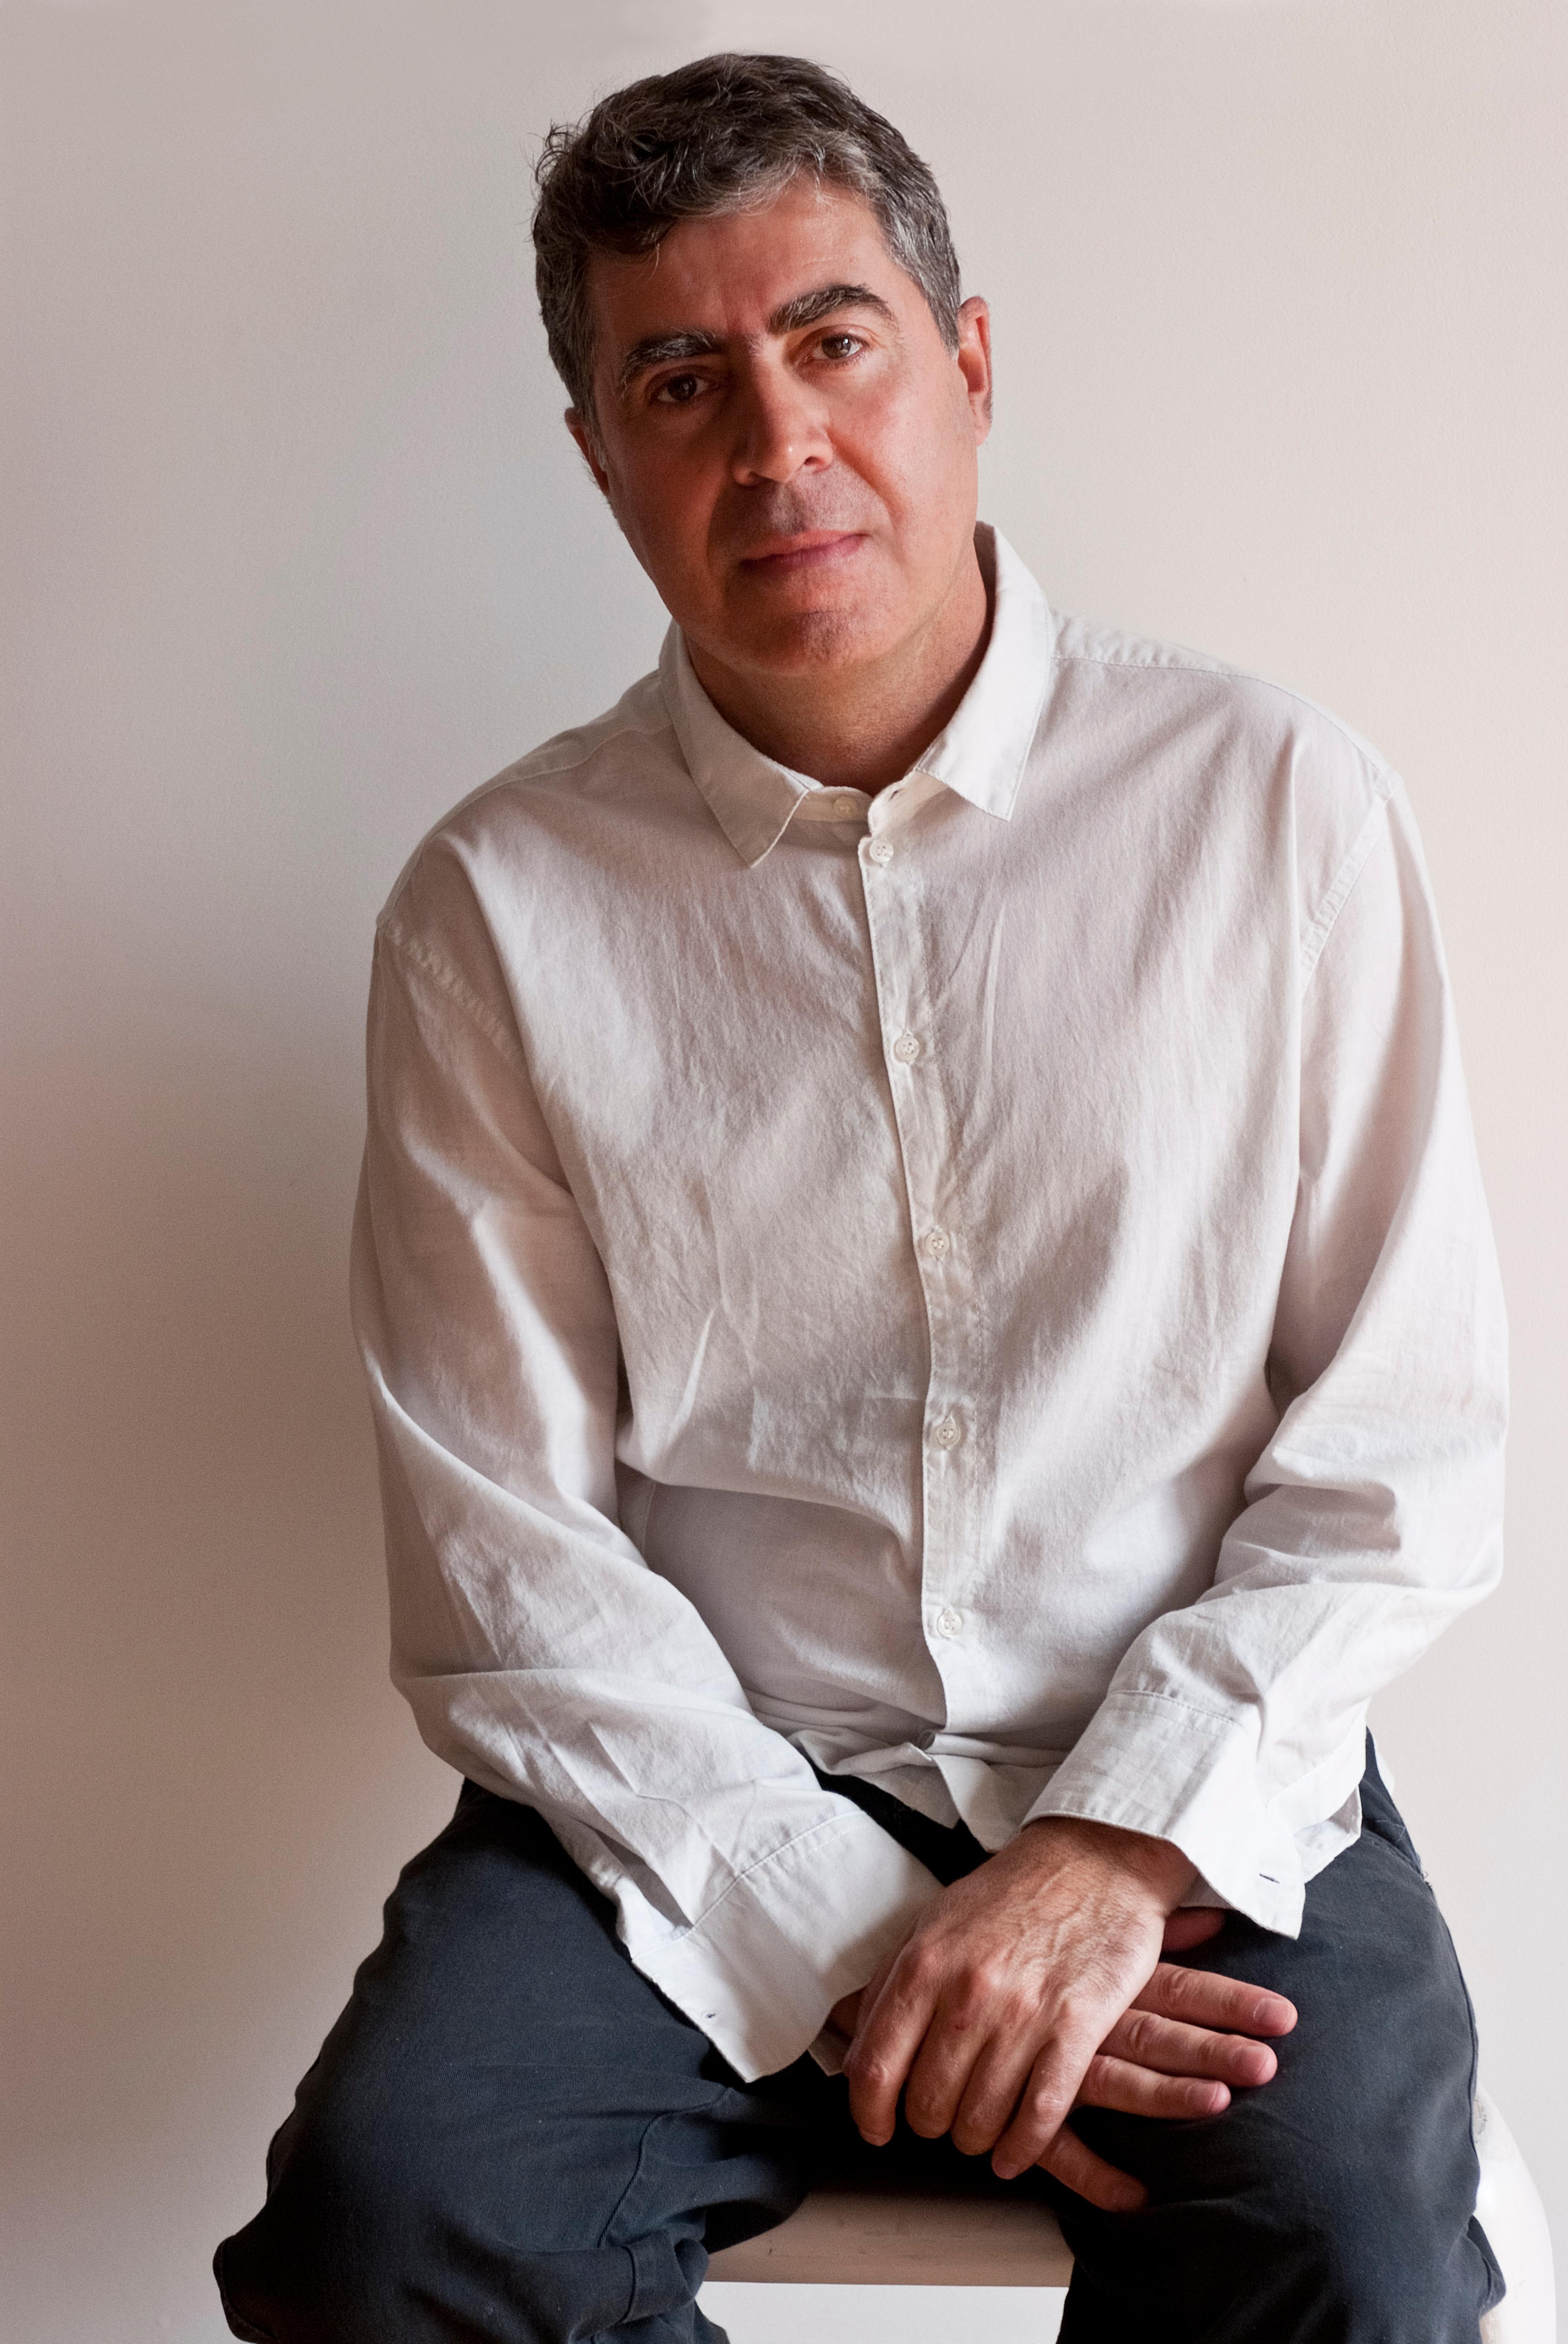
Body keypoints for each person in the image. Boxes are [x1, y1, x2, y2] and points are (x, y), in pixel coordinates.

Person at [216, 51, 1509, 2344]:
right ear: (599, 456)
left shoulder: (1276, 806)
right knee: (383, 2224)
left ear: (968, 364)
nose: (775, 443)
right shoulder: (496, 906)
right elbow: (508, 1555)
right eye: (680, 382)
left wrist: (1104, 1851)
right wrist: (853, 1930)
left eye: (833, 341)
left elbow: (1400, 1448)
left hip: (1184, 1769)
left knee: (1356, 2260)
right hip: (690, 1786)